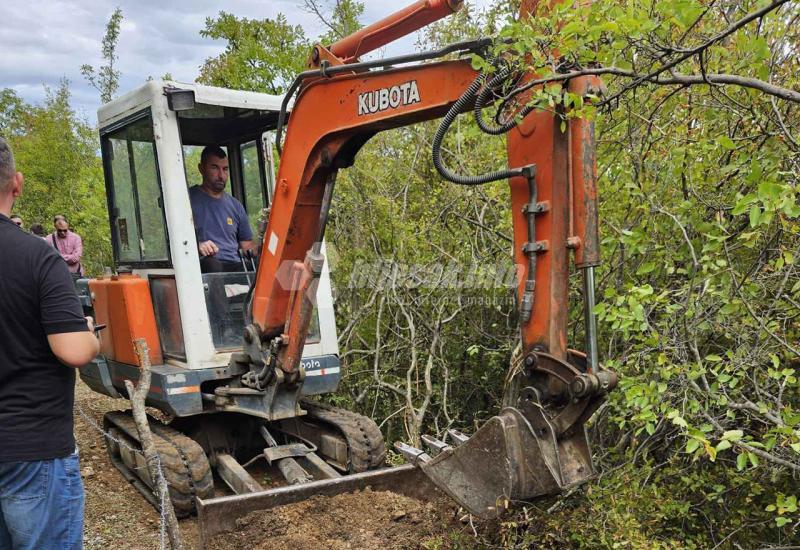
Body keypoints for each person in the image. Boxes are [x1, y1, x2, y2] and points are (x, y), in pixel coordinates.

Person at [0, 137, 100, 549]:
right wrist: (90, 337)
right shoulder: (38, 258)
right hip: (31, 448)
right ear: (17, 183)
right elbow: (72, 350)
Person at [189, 145, 254, 273]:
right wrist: (198, 246)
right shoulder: (187, 200)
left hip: (234, 265)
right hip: (205, 265)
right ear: (201, 169)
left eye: (225, 169)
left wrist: (265, 245)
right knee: (212, 265)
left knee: (261, 267)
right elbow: (177, 241)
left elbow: (247, 246)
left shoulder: (236, 206)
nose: (221, 175)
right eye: (214, 168)